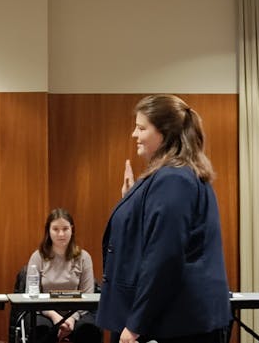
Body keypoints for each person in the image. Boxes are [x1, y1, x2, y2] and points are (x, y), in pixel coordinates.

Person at [96, 94, 231, 343]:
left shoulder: (173, 179)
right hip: (177, 320)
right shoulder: (176, 176)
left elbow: (164, 256)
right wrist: (131, 201)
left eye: (141, 128)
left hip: (172, 324)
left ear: (165, 133)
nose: (134, 135)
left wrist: (136, 324)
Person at [26, 208, 101, 343]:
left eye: (65, 229)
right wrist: (56, 318)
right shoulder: (38, 257)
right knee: (41, 330)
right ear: (48, 231)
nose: (61, 234)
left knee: (89, 330)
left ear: (72, 230)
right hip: (46, 312)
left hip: (78, 312)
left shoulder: (84, 257)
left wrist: (72, 318)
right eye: (55, 229)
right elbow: (32, 295)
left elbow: (88, 296)